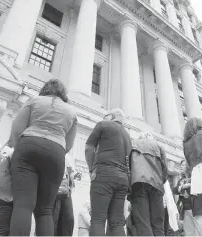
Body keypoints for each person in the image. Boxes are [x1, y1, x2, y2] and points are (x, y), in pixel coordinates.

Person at [7, 79, 78, 236]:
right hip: (56, 151)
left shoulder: (34, 101)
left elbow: (17, 129)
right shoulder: (71, 112)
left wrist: (20, 149)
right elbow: (69, 144)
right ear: (63, 93)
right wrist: (56, 151)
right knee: (45, 209)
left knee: (23, 205)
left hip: (28, 145)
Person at [85, 108, 132, 236]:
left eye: (105, 115)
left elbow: (89, 148)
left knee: (98, 219)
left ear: (111, 116)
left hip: (104, 173)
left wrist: (91, 169)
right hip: (123, 178)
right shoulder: (128, 136)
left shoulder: (103, 125)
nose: (103, 117)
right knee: (117, 222)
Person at [129, 132, 167, 236]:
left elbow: (128, 166)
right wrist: (161, 181)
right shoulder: (159, 146)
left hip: (138, 183)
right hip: (157, 185)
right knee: (158, 223)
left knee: (143, 223)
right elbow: (165, 169)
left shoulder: (133, 143)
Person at [52, 158, 81, 236]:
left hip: (65, 190)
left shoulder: (67, 158)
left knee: (68, 219)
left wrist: (75, 175)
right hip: (52, 189)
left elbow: (69, 172)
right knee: (53, 219)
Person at [173, 160, 201, 236]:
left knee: (200, 231)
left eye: (183, 165)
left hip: (196, 208)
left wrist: (182, 190)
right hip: (185, 209)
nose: (181, 166)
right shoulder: (181, 180)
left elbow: (194, 190)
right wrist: (183, 187)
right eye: (180, 165)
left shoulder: (195, 177)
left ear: (188, 167)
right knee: (189, 233)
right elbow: (175, 190)